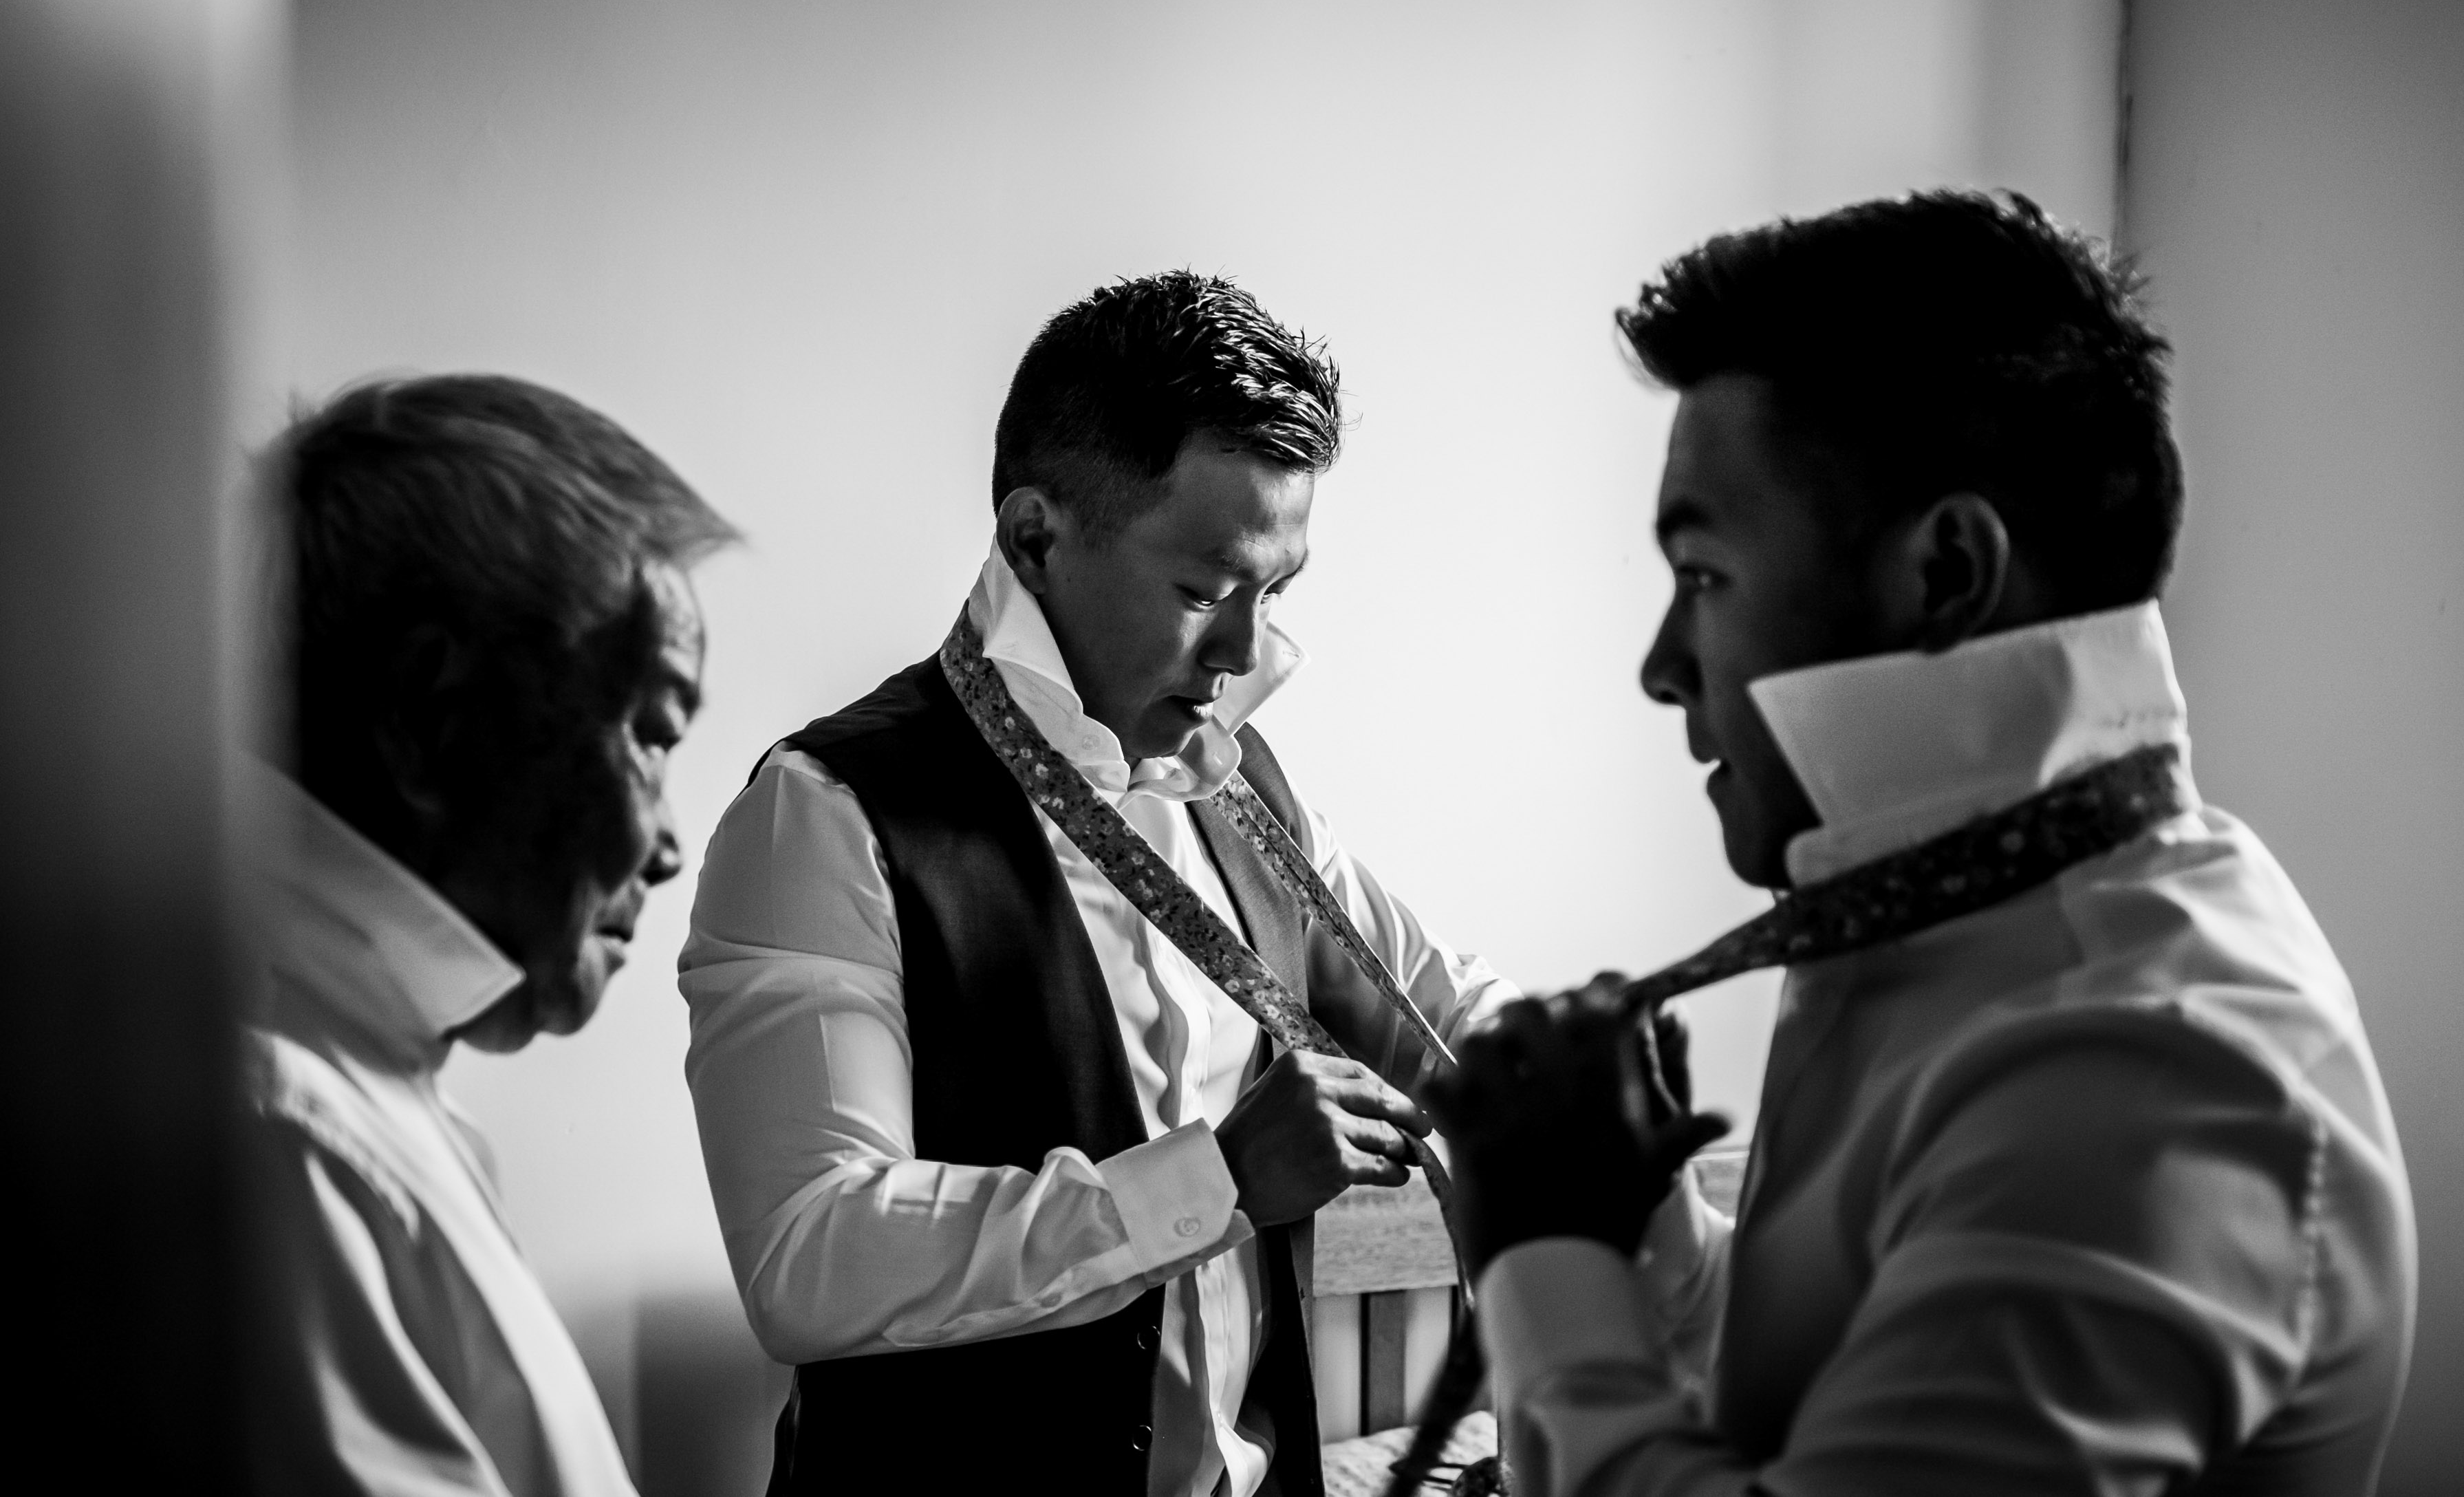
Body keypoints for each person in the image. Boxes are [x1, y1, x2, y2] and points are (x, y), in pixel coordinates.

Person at [1434, 192, 2418, 1494]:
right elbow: (1842, 1390)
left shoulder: (2141, 1066)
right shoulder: (1961, 935)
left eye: (1705, 576)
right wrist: (1642, 1241)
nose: (1663, 669)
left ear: (1946, 571)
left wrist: (1545, 1264)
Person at [680, 271, 1515, 1496]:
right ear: (1034, 538)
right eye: (1205, 591)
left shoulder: (1246, 798)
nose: (1244, 655)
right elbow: (811, 1255)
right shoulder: (825, 815)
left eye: (1275, 595)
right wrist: (1213, 1183)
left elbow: (1445, 1007)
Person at [244, 375, 737, 1494]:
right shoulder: (290, 1136)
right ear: (433, 714)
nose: (667, 846)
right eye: (651, 735)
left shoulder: (349, 1099)